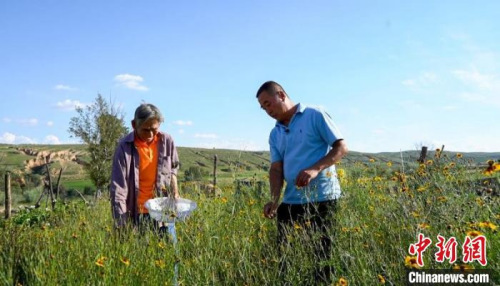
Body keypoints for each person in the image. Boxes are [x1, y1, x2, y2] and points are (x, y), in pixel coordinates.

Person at [256, 81, 348, 283]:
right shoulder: (275, 133)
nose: (267, 111)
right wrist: (274, 199)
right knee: (285, 258)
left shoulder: (315, 115)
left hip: (323, 198)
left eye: (268, 103)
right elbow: (276, 169)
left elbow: (341, 148)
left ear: (281, 95)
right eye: (263, 108)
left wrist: (315, 169)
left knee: (322, 258)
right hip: (291, 201)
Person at [110, 103, 180, 235]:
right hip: (136, 214)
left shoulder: (167, 141)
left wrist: (175, 191)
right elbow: (118, 188)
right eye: (146, 130)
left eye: (154, 129)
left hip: (164, 212)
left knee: (169, 251)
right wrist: (121, 221)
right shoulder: (124, 147)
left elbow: (173, 170)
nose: (151, 134)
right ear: (134, 124)